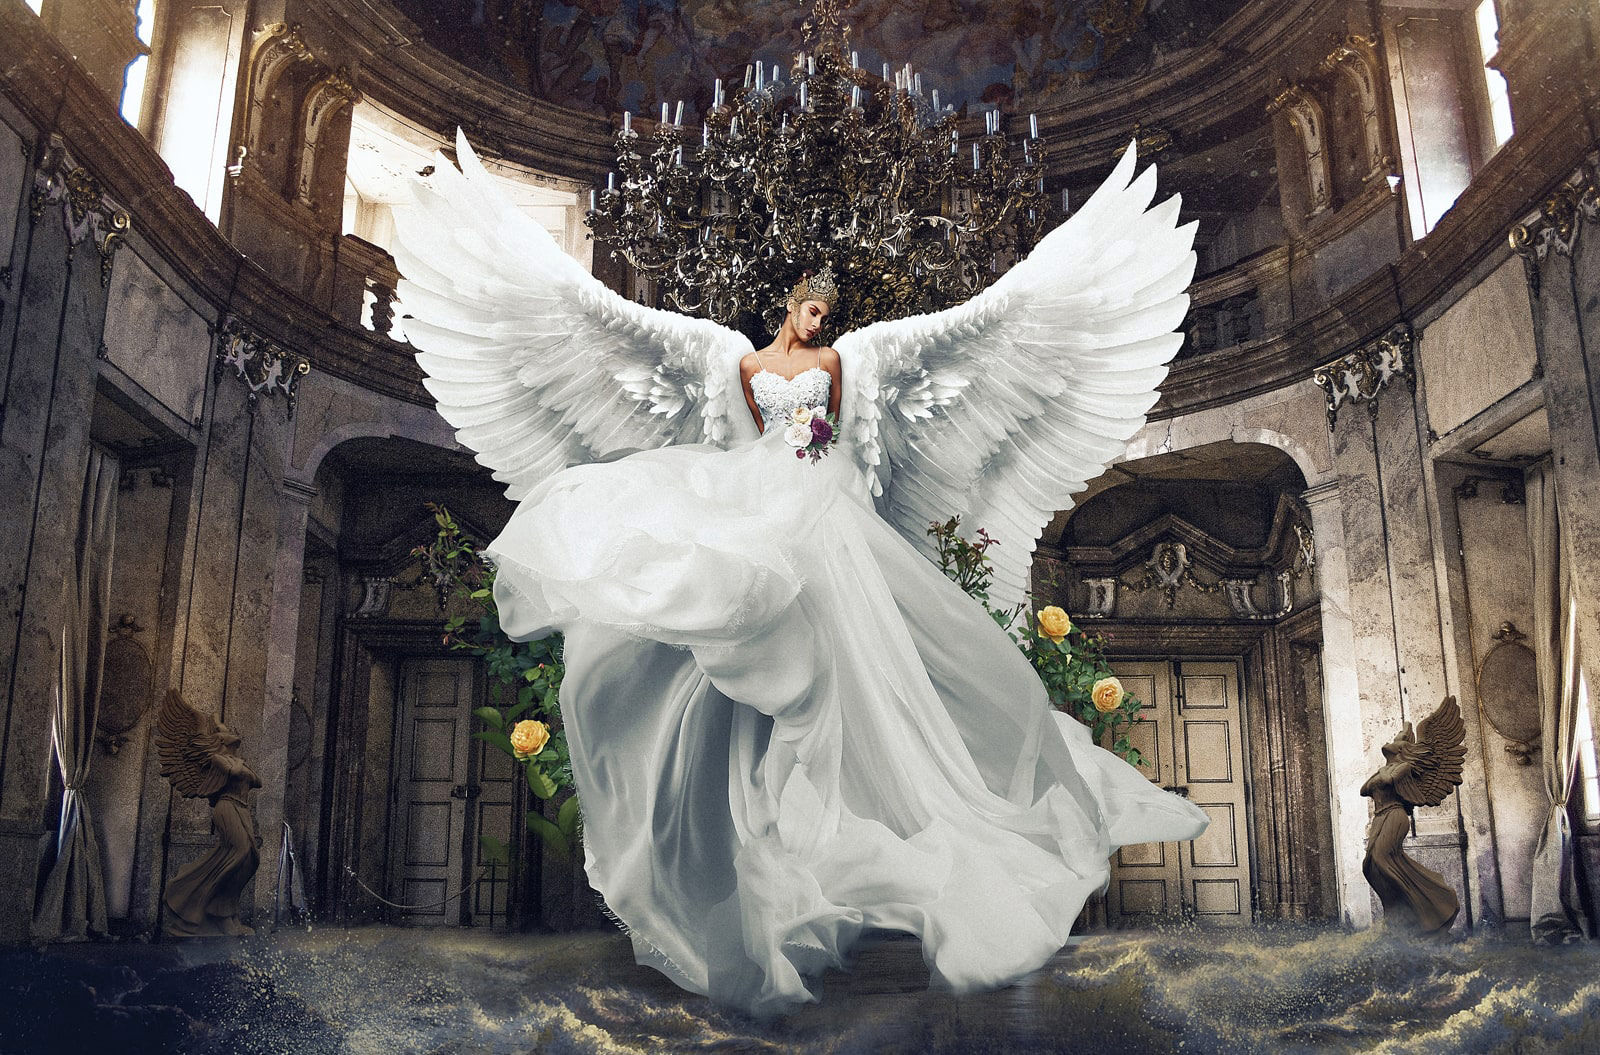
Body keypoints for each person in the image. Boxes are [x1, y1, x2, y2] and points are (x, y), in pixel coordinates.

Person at [393, 132, 1208, 1015]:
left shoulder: (843, 366)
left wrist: (814, 454)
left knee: (842, 688)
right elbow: (733, 440)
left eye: (828, 315)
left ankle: (853, 868)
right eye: (811, 312)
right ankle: (754, 885)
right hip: (759, 516)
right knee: (738, 692)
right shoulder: (728, 362)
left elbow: (841, 441)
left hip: (829, 524)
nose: (820, 324)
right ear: (791, 306)